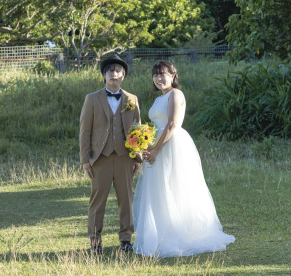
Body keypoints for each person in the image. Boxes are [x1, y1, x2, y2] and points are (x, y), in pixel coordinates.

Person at [133, 60, 235, 257]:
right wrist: (145, 143)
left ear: (173, 75)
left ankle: (181, 234)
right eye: (155, 75)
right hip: (157, 143)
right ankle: (162, 232)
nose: (158, 78)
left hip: (171, 144)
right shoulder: (158, 99)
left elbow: (171, 124)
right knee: (159, 189)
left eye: (162, 74)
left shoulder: (175, 94)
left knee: (176, 186)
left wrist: (155, 149)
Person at [79, 55, 142, 254]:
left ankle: (126, 240)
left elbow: (136, 129)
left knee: (126, 200)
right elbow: (85, 131)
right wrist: (85, 160)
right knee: (98, 202)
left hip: (124, 157)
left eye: (117, 71)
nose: (113, 74)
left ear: (123, 75)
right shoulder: (92, 98)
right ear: (104, 75)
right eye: (109, 71)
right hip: (100, 158)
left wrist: (137, 156)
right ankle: (95, 241)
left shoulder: (132, 99)